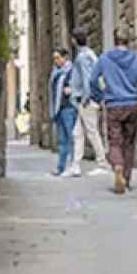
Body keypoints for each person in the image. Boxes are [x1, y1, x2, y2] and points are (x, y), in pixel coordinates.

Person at [90, 27, 137, 194]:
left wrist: (100, 96)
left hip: (113, 105)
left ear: (114, 40)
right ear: (129, 41)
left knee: (114, 140)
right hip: (131, 104)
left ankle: (117, 165)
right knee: (129, 142)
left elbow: (92, 80)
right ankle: (126, 177)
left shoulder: (105, 59)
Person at [67, 28, 111, 177]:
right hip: (88, 100)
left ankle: (102, 163)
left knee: (92, 132)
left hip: (86, 100)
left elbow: (88, 78)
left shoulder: (82, 57)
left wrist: (86, 97)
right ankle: (75, 165)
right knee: (77, 133)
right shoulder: (90, 54)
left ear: (74, 40)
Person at [48, 48, 77, 177]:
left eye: (58, 58)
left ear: (65, 58)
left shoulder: (72, 70)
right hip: (59, 109)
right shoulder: (56, 73)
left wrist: (72, 90)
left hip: (69, 107)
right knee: (62, 140)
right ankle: (61, 167)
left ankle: (73, 166)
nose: (56, 61)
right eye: (54, 58)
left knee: (71, 138)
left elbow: (79, 84)